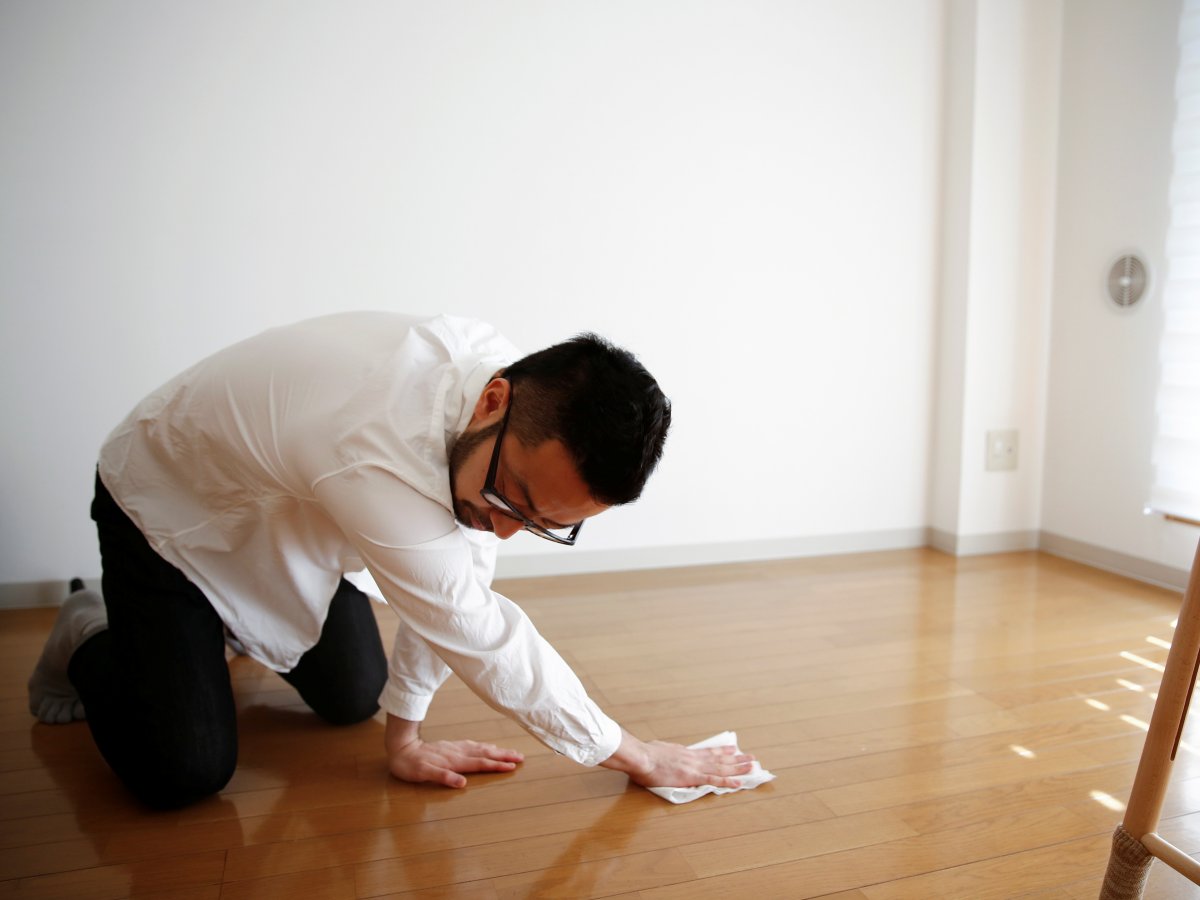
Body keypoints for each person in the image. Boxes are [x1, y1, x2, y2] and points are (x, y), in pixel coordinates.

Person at [28, 311, 754, 809]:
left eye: (542, 525)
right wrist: (634, 753)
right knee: (183, 771)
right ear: (492, 402)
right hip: (169, 505)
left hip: (296, 515)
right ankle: (90, 625)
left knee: (355, 696)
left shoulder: (507, 398)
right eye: (513, 501)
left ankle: (217, 632)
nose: (506, 533)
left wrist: (404, 740)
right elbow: (476, 630)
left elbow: (459, 578)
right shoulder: (377, 453)